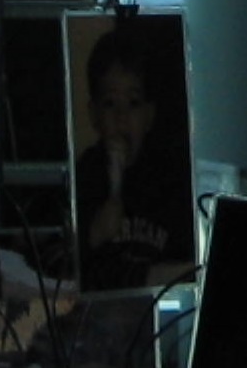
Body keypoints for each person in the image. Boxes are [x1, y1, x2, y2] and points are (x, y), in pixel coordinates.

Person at [71, 18, 196, 291]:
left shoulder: (169, 183)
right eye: (110, 103)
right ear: (94, 115)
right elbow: (64, 270)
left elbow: (185, 266)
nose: (121, 116)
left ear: (149, 115)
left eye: (133, 103)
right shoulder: (84, 177)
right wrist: (93, 234)